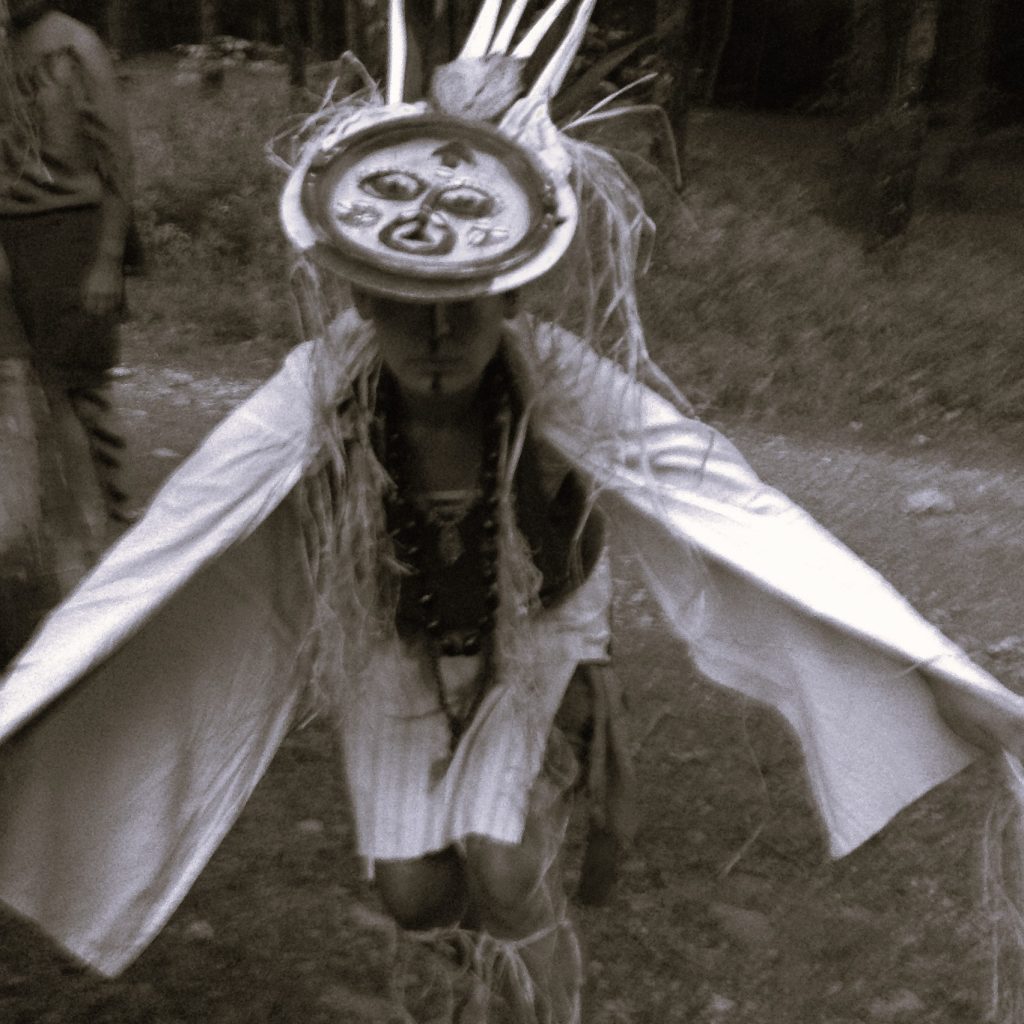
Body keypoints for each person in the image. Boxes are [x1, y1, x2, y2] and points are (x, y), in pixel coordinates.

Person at [1, 2, 1024, 1022]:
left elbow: (733, 507)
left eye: (466, 306)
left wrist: (949, 678)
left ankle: (541, 1003)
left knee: (500, 860)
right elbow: (175, 541)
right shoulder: (317, 390)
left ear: (510, 301)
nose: (437, 336)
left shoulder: (560, 382)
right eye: (407, 303)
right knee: (413, 893)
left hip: (531, 625)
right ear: (363, 297)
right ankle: (450, 997)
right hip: (391, 635)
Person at [0, 0, 134, 663]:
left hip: (72, 235)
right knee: (44, 400)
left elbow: (116, 158)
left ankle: (121, 542)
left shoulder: (74, 46)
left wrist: (107, 257)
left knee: (83, 394)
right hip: (14, 243)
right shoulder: (6, 43)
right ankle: (70, 557)